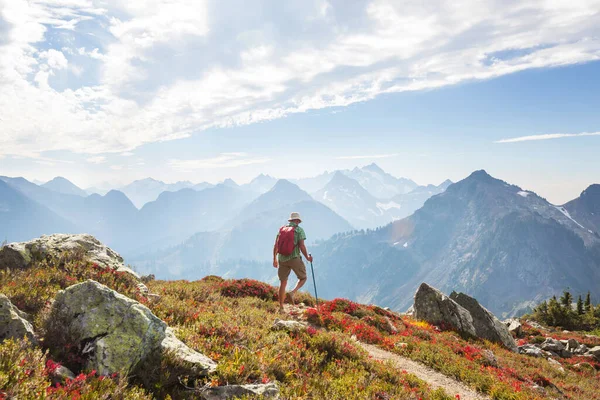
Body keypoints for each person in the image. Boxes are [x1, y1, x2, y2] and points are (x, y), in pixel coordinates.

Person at [273, 212, 313, 310]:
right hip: (294, 258)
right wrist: (307, 257)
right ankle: (292, 292)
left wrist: (274, 258)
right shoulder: (299, 230)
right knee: (303, 277)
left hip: (282, 259)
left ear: (290, 220)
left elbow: (276, 245)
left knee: (283, 282)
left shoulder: (281, 230)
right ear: (298, 221)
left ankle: (281, 306)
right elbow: (302, 246)